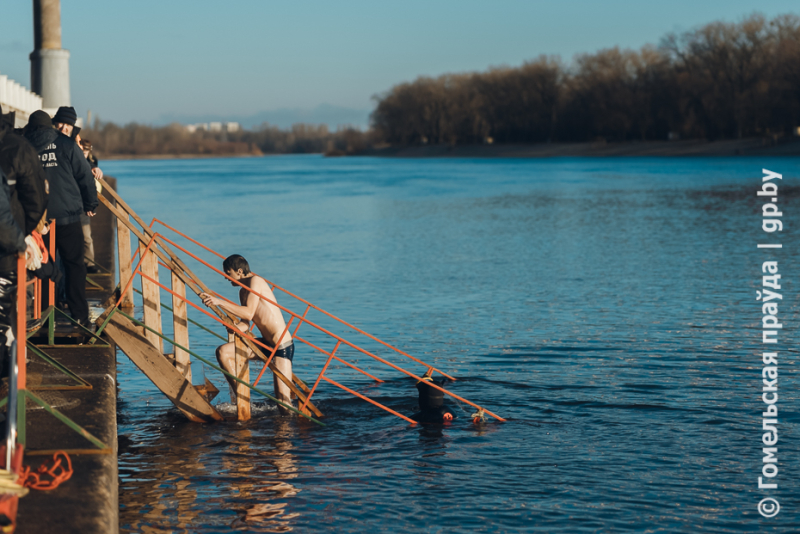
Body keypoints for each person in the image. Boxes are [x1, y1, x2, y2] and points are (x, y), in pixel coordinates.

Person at [23, 109, 97, 329]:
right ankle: (80, 315)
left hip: (37, 219)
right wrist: (90, 203)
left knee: (43, 264)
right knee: (75, 265)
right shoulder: (66, 144)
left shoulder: (23, 146)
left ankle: (46, 312)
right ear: (51, 125)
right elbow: (84, 175)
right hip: (67, 215)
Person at [199, 255, 295, 408]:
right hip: (266, 344)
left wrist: (218, 301)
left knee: (283, 404)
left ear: (239, 271)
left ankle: (288, 430)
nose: (225, 277)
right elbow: (246, 323)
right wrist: (235, 327)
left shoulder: (256, 281)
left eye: (227, 273)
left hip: (281, 345)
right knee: (223, 352)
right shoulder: (242, 292)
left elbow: (248, 312)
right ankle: (243, 398)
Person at [78, 138, 103, 273]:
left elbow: (89, 165)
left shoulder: (92, 162)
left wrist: (94, 168)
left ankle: (89, 263)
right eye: (82, 150)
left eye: (86, 151)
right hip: (75, 201)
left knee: (87, 237)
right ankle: (82, 263)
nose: (84, 153)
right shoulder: (74, 157)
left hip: (83, 202)